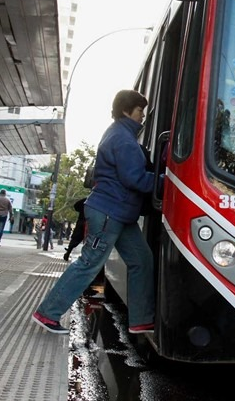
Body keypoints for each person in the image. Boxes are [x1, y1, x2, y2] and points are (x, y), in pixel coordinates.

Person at [33, 89, 155, 334]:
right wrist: (167, 180)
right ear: (126, 111)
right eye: (140, 110)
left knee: (142, 261)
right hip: (110, 212)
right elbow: (136, 179)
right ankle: (47, 313)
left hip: (119, 213)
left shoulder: (118, 133)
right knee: (89, 263)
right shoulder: (123, 139)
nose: (142, 115)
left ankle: (142, 320)